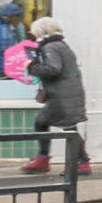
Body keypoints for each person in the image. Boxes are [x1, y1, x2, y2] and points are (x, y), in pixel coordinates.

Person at [18, 17, 87, 175]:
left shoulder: (51, 47)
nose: (34, 35)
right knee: (58, 125)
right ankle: (74, 161)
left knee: (57, 125)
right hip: (65, 94)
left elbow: (53, 69)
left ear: (41, 31)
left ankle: (77, 162)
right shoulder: (60, 45)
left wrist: (31, 65)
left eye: (35, 32)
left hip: (61, 95)